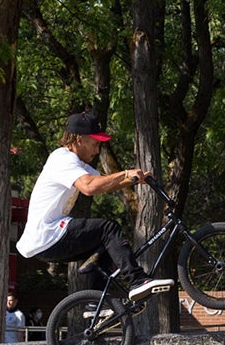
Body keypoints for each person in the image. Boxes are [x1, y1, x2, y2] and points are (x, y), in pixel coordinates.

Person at [15, 111, 173, 299]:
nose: (97, 150)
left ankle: (95, 302)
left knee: (106, 244)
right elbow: (88, 187)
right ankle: (138, 280)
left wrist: (136, 179)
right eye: (96, 144)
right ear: (79, 139)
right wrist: (125, 174)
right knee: (108, 228)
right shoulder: (62, 158)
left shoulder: (79, 165)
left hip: (48, 240)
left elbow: (104, 182)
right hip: (48, 234)